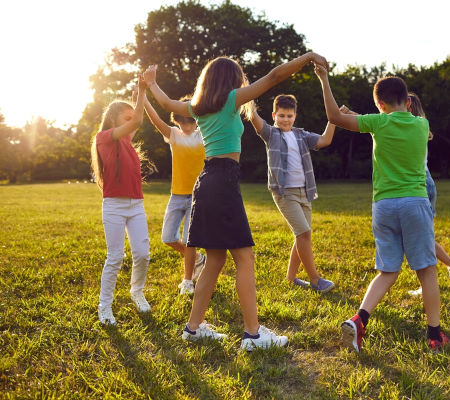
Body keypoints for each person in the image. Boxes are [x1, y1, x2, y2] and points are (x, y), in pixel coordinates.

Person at [142, 51, 328, 350]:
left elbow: (166, 104)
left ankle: (193, 328)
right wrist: (305, 57)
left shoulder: (198, 106)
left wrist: (151, 83)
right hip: (224, 181)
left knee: (215, 258)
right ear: (230, 81)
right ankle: (253, 335)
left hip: (205, 181)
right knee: (245, 257)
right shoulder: (230, 100)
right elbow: (273, 77)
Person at [314, 65, 450, 352]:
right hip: (415, 203)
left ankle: (359, 319)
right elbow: (399, 119)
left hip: (384, 206)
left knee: (388, 271)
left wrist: (324, 79)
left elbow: (334, 117)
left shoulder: (377, 123)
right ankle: (435, 335)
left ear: (379, 105)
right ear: (409, 102)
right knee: (426, 271)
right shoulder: (422, 126)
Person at [249, 94, 336, 293]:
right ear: (274, 115)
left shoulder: (301, 135)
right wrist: (247, 97)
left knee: (303, 236)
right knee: (303, 233)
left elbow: (325, 140)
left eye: (289, 116)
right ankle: (315, 280)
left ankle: (290, 278)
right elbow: (254, 118)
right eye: (281, 116)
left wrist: (333, 119)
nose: (285, 120)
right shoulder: (271, 134)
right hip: (284, 193)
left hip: (305, 192)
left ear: (295, 116)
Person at [91, 76, 151, 325]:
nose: (131, 123)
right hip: (114, 206)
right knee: (115, 257)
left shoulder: (126, 141)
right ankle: (104, 307)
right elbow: (137, 118)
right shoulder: (104, 137)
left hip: (136, 205)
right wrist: (143, 91)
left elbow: (138, 119)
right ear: (114, 118)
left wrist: (140, 95)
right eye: (125, 119)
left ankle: (136, 292)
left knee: (143, 254)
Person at [143, 95, 207, 295]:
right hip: (177, 195)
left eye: (191, 120)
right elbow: (155, 120)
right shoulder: (173, 135)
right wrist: (143, 99)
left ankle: (187, 281)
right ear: (176, 120)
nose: (187, 125)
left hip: (198, 195)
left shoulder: (202, 135)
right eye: (182, 121)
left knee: (190, 241)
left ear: (197, 120)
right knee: (168, 237)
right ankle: (197, 258)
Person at [405, 92, 450, 298]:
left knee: (418, 239)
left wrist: (351, 114)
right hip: (427, 183)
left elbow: (379, 122)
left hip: (417, 186)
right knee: (424, 238)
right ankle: (449, 269)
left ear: (407, 104)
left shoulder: (409, 124)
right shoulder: (420, 125)